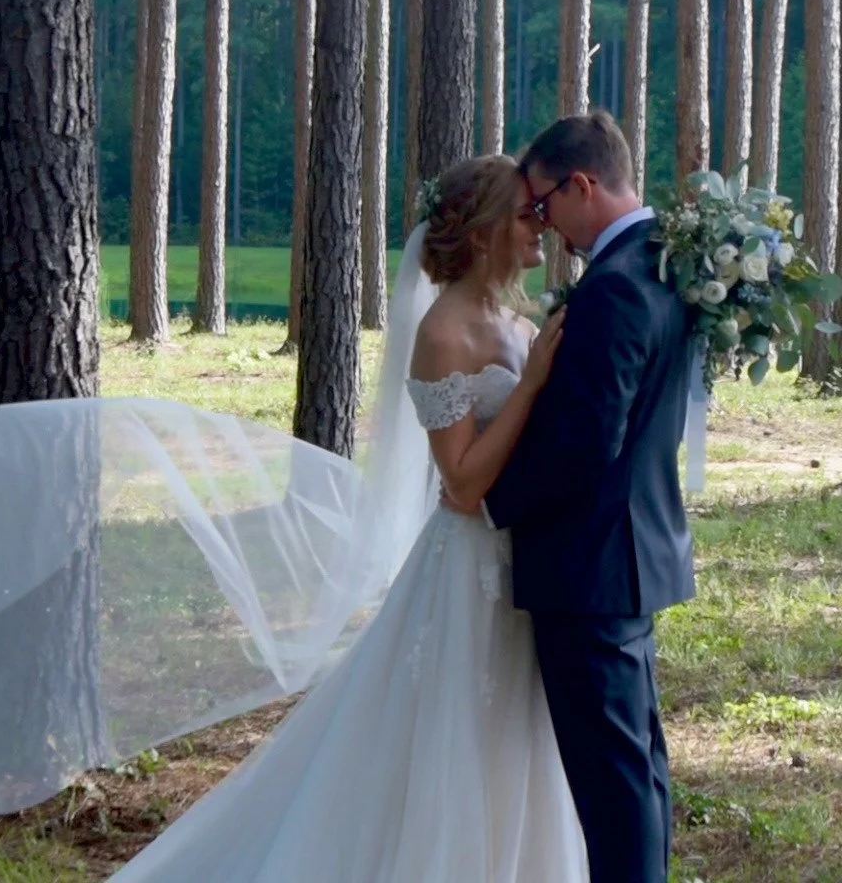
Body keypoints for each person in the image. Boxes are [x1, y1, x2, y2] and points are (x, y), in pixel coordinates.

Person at [107, 153, 589, 881]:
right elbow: (459, 484)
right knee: (454, 735)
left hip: (523, 558)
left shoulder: (517, 321)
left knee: (513, 735)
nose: (539, 229)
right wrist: (532, 387)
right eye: (525, 216)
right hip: (468, 569)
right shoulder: (445, 333)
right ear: (487, 230)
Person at [484, 110, 696, 883]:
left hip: (589, 567)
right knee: (637, 769)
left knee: (612, 787)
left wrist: (487, 498)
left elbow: (584, 445)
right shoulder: (664, 263)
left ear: (580, 185)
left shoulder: (611, 288)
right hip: (633, 555)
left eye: (542, 204)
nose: (542, 224)